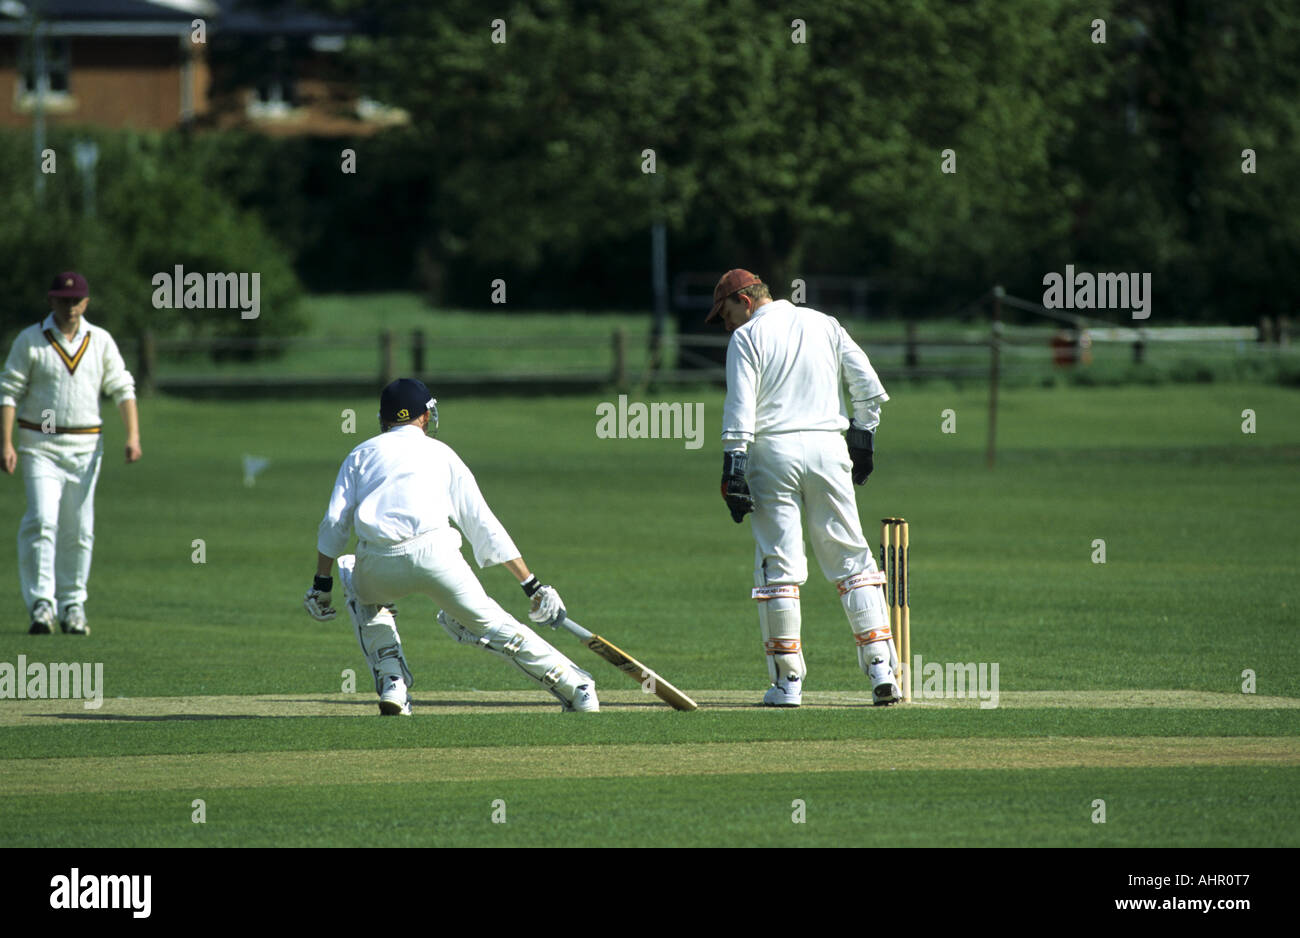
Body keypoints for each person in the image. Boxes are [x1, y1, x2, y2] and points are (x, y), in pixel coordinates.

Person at [303, 378, 598, 715]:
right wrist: (531, 585)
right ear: (425, 416)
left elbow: (334, 524)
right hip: (438, 557)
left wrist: (321, 585)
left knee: (351, 572)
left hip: (379, 562)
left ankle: (392, 683)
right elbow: (481, 523)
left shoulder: (360, 454)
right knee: (492, 625)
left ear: (384, 419)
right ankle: (577, 688)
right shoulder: (442, 454)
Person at [708, 269, 899, 707]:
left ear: (746, 300)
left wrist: (733, 466)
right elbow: (867, 387)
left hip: (772, 451)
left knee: (780, 564)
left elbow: (740, 408)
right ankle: (882, 673)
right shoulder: (824, 323)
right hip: (829, 448)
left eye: (726, 312)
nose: (726, 324)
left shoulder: (748, 337)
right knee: (852, 558)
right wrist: (864, 438)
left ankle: (788, 684)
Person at [1, 271, 141, 635]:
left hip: (85, 449)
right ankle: (41, 604)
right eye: (63, 300)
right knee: (42, 520)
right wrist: (6, 442)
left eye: (76, 300)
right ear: (51, 301)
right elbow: (9, 391)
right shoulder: (31, 341)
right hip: (39, 447)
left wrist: (133, 436)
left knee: (78, 529)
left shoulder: (100, 340)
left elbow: (122, 386)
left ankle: (73, 604)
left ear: (86, 302)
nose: (70, 307)